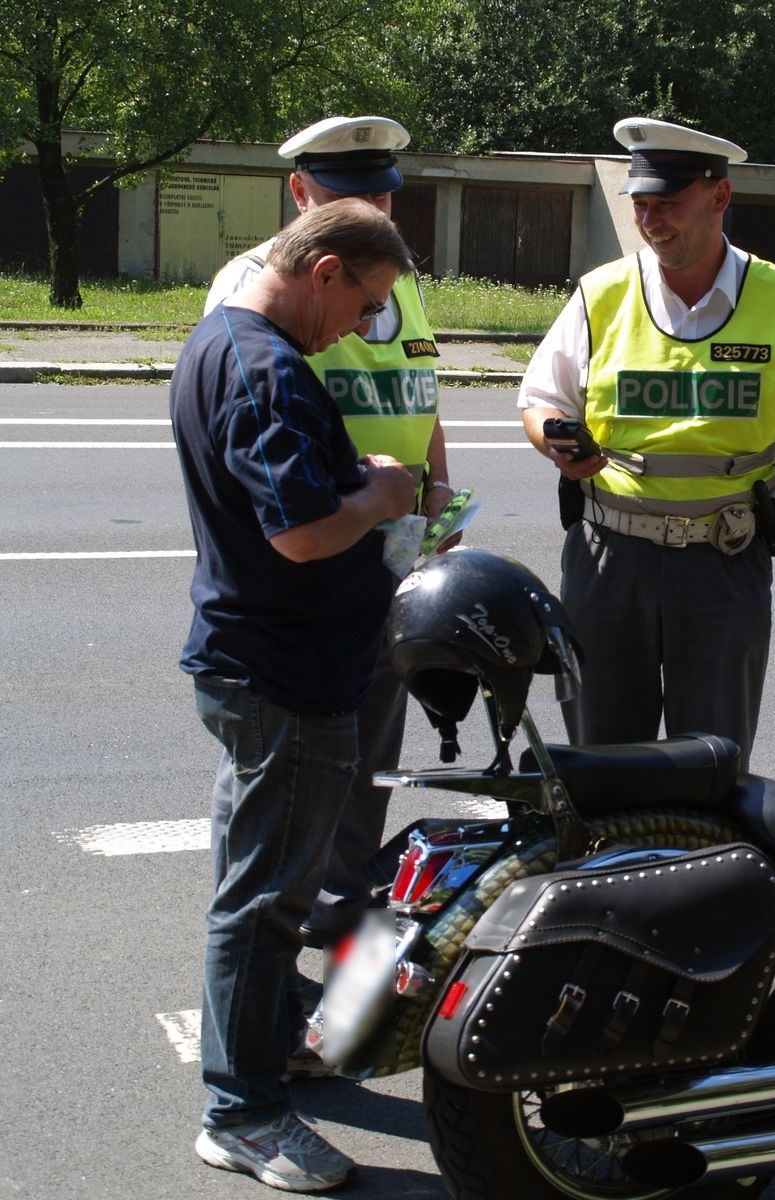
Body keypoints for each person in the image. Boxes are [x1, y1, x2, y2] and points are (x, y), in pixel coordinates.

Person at [172, 199, 417, 1192]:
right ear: (323, 270)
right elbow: (301, 533)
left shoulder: (220, 339)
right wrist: (381, 500)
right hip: (285, 675)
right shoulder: (269, 368)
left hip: (253, 660)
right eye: (365, 303)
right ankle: (244, 1114)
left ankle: (264, 1047)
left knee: (254, 882)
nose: (362, 326)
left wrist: (349, 474)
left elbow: (275, 487)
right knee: (267, 903)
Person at [518, 117, 775, 770]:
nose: (651, 219)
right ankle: (611, 874)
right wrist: (554, 441)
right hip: (608, 561)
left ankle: (705, 872)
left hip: (722, 566)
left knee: (713, 766)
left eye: (667, 203)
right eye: (641, 204)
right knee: (603, 764)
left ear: (719, 197)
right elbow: (540, 401)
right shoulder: (600, 294)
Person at [205, 116, 451, 947]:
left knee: (367, 741)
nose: (376, 208)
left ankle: (337, 898)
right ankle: (282, 913)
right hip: (317, 542)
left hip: (390, 537)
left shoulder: (397, 278)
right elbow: (248, 431)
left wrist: (437, 492)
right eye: (353, 195)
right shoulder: (252, 286)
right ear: (302, 196)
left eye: (384, 192)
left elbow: (421, 391)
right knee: (297, 752)